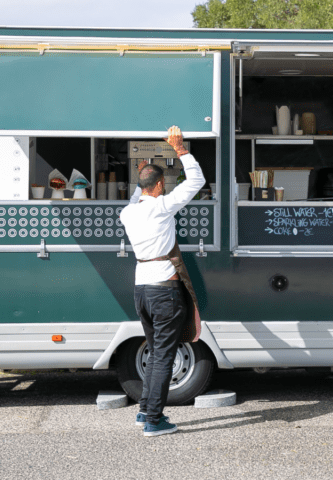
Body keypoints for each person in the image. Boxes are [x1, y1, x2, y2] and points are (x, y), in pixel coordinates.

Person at [119, 126, 205, 437]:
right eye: (163, 185)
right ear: (159, 185)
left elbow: (137, 192)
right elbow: (196, 181)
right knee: (163, 358)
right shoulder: (162, 206)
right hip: (164, 292)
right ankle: (154, 420)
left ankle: (145, 412)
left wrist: (144, 166)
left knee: (155, 353)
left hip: (141, 289)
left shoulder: (128, 213)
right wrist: (179, 149)